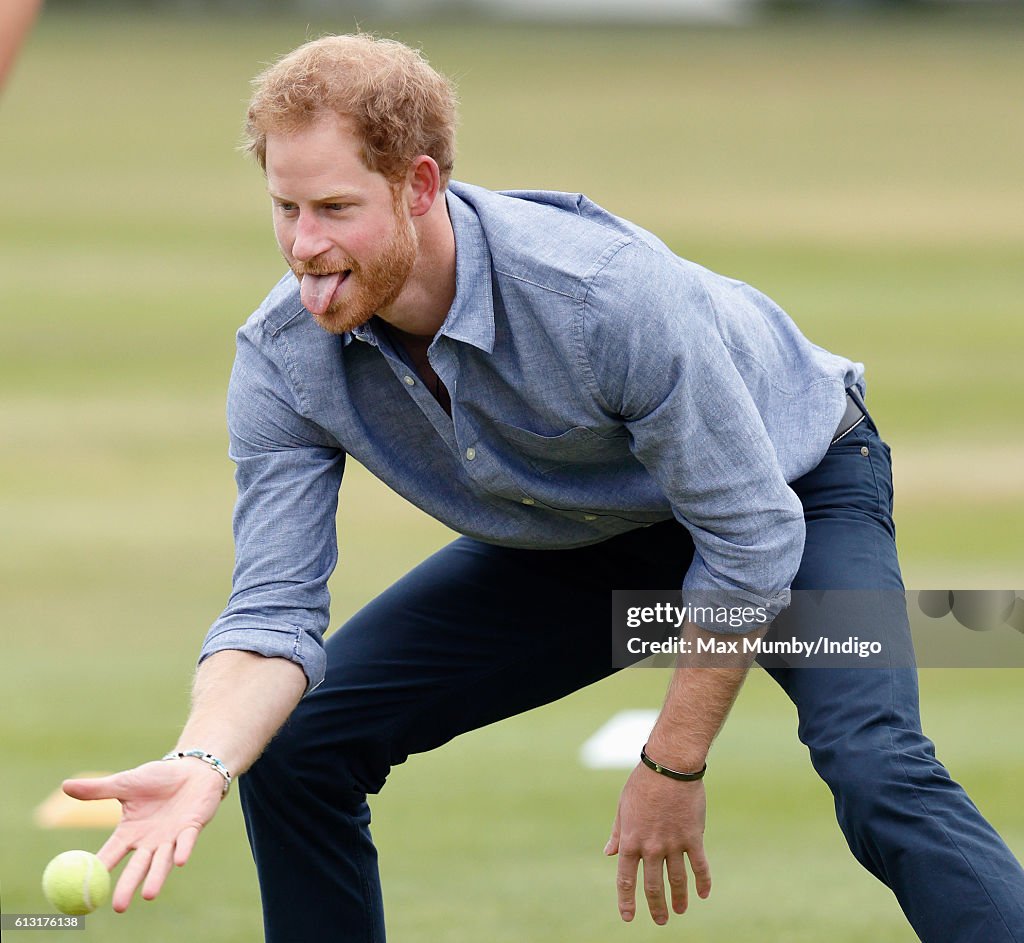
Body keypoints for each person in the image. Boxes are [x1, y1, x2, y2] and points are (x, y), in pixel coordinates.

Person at [65, 33, 1024, 942]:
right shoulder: (283, 358)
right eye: (285, 209)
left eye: (335, 209)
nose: (303, 245)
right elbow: (272, 612)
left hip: (793, 498)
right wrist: (202, 759)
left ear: (420, 186)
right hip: (586, 533)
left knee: (877, 768)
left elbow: (747, 542)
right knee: (298, 747)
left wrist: (671, 758)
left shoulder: (602, 296)